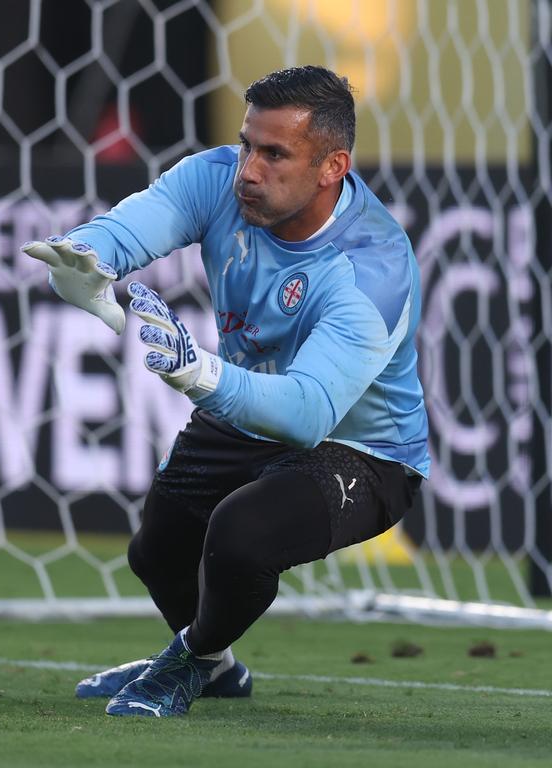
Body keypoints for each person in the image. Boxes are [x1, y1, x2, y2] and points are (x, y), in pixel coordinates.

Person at [22, 65, 429, 718]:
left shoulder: (370, 266)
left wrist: (199, 374)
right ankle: (216, 667)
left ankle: (186, 661)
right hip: (245, 410)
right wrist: (86, 257)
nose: (248, 168)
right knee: (157, 550)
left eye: (274, 154)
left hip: (360, 446)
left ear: (332, 168)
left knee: (240, 535)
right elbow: (137, 224)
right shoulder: (218, 180)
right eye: (247, 144)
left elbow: (307, 413)